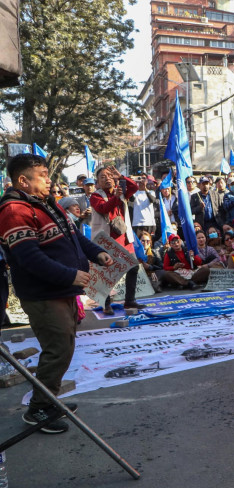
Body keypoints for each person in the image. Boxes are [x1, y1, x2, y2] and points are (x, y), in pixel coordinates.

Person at [0, 153, 114, 434]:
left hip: (62, 290)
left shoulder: (47, 204)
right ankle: (39, 409)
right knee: (58, 349)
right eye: (43, 176)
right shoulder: (14, 210)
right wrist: (70, 274)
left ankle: (48, 400)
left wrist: (97, 253)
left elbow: (75, 237)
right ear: (23, 180)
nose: (50, 181)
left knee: (64, 347)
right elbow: (29, 258)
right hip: (42, 295)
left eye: (49, 175)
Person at [90, 165, 146, 316]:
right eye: (103, 177)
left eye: (109, 176)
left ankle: (130, 300)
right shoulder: (95, 196)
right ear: (98, 183)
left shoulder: (121, 192)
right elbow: (103, 208)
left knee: (133, 267)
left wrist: (121, 176)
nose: (107, 179)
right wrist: (116, 197)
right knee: (107, 273)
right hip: (106, 240)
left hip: (124, 238)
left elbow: (134, 186)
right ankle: (106, 304)